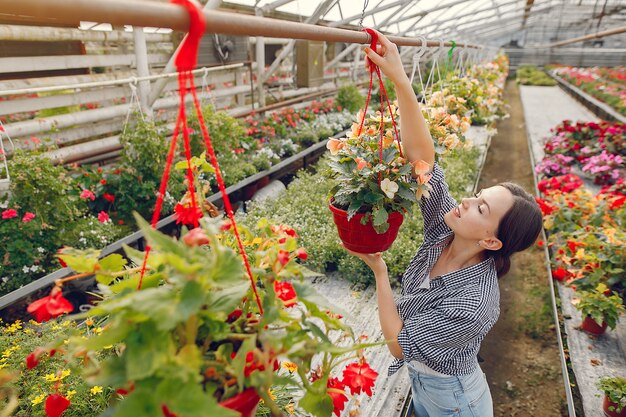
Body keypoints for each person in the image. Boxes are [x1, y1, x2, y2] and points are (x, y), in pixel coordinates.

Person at [343, 30, 543, 417]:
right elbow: (423, 164)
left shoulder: (474, 305)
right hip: (427, 383)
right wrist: (400, 78)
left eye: (481, 208)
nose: (467, 201)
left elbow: (399, 345)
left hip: (455, 401)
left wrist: (380, 273)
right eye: (478, 194)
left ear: (491, 242)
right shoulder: (445, 232)